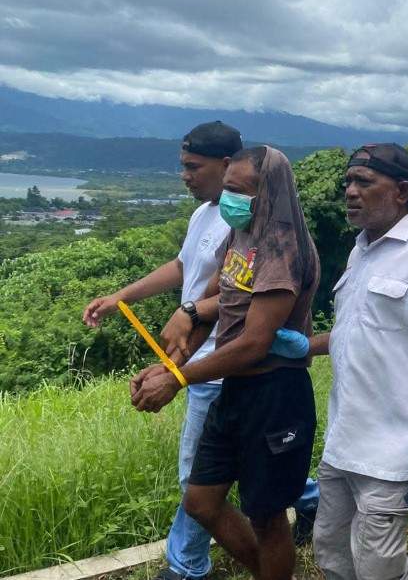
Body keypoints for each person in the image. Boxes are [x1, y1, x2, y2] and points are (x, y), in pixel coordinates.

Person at [278, 143, 408, 580]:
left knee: (380, 569)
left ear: (401, 191)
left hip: (395, 451)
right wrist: (306, 345)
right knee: (332, 554)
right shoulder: (361, 251)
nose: (350, 191)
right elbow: (359, 331)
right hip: (344, 441)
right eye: (348, 182)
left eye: (364, 183)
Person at [129, 146, 320, 580]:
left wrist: (177, 379)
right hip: (233, 390)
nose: (228, 200)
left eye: (238, 190)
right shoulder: (242, 235)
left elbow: (254, 343)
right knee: (200, 501)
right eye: (227, 188)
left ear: (267, 193)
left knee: (267, 517)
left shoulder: (281, 249)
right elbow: (214, 305)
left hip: (274, 396)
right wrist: (169, 364)